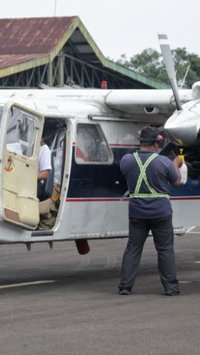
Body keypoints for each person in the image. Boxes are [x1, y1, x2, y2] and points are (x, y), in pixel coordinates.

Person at [118, 126, 183, 296]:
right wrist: (176, 164)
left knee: (133, 248)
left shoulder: (126, 160)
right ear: (157, 143)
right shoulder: (164, 162)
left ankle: (125, 286)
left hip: (137, 212)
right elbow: (177, 182)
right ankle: (171, 287)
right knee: (165, 249)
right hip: (160, 212)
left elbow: (126, 173)